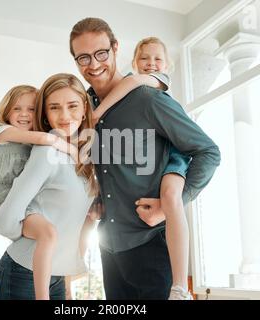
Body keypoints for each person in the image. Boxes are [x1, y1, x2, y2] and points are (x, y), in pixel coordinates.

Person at [69, 17, 221, 300]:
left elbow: (208, 152)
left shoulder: (148, 99)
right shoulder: (81, 108)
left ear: (115, 49)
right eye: (83, 57)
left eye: (101, 53)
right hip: (109, 248)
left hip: (152, 247)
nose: (94, 63)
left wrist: (170, 205)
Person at [86, 36, 192, 299]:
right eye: (145, 58)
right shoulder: (129, 94)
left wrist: (97, 113)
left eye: (158, 59)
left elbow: (132, 81)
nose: (151, 64)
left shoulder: (152, 85)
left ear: (167, 66)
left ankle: (180, 286)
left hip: (176, 153)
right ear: (135, 61)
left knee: (170, 197)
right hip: (112, 241)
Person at [0, 74, 98, 300]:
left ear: (84, 107)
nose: (65, 116)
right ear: (46, 114)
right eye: (55, 107)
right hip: (22, 274)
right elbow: (5, 222)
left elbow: (71, 225)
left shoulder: (82, 158)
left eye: (72, 106)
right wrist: (31, 228)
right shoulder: (47, 151)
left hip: (57, 276)